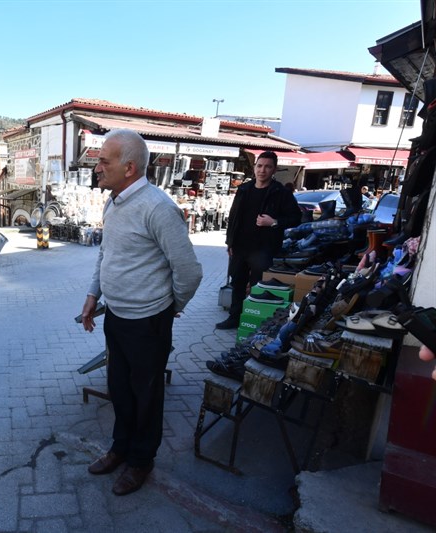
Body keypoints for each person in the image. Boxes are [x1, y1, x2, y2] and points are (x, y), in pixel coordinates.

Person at [80, 129, 202, 496]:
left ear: (129, 167)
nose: (97, 166)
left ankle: (141, 460)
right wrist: (92, 294)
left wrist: (170, 307)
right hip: (116, 316)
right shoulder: (113, 202)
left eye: (104, 160)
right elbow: (106, 254)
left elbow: (190, 271)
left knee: (146, 395)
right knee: (120, 388)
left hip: (149, 321)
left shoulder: (159, 208)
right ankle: (120, 448)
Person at [215, 151, 301, 329]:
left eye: (267, 166)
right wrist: (229, 242)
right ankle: (234, 318)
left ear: (274, 169)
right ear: (254, 168)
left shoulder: (280, 192)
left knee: (257, 286)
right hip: (240, 246)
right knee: (237, 282)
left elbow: (296, 218)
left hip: (263, 248)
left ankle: (252, 320)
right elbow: (233, 217)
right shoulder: (244, 189)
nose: (262, 170)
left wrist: (274, 222)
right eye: (259, 166)